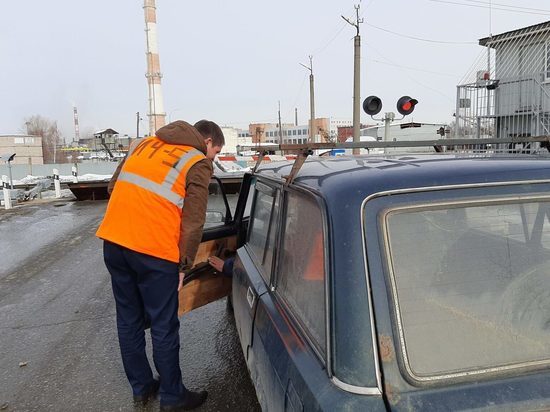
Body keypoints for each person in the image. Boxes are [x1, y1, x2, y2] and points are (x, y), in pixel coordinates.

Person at [96, 120, 224, 411]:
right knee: (164, 324)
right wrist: (184, 265)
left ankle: (141, 388)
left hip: (114, 242)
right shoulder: (196, 161)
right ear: (206, 142)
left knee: (128, 319)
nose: (212, 159)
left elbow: (112, 187)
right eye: (215, 153)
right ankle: (173, 397)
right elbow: (193, 222)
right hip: (154, 251)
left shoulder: (142, 144)